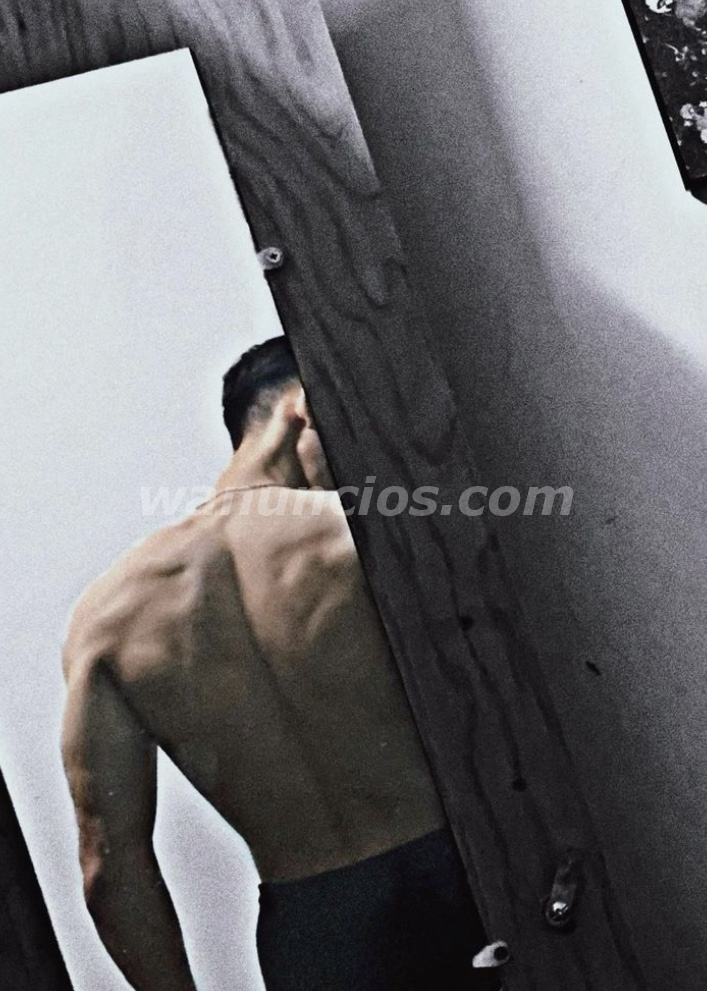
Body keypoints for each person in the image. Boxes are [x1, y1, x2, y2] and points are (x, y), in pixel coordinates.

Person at [61, 336, 499, 991]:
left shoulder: (107, 618)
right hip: (461, 882)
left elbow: (108, 867)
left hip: (315, 937)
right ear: (306, 408)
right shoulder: (366, 533)